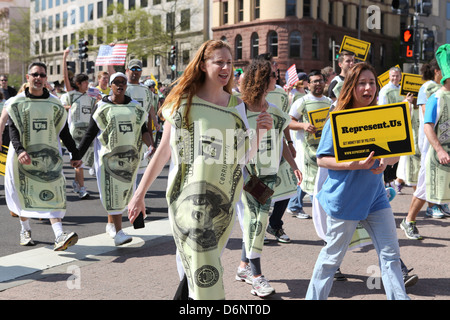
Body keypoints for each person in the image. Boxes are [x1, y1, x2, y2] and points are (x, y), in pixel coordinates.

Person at [127, 40, 273, 300]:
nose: (226, 67)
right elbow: (163, 152)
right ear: (204, 65)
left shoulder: (236, 106)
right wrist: (139, 194)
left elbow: (243, 158)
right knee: (205, 271)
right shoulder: (183, 102)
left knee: (196, 272)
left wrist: (260, 133)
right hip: (186, 201)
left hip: (222, 204)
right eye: (219, 62)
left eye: (229, 62)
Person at [305, 62, 409, 300]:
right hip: (345, 200)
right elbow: (322, 159)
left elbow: (395, 154)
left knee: (390, 255)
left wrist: (385, 162)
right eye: (362, 83)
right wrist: (352, 164)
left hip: (376, 197)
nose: (368, 88)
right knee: (332, 259)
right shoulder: (338, 117)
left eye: (372, 82)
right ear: (351, 87)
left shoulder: (382, 116)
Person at [235, 58, 302, 298]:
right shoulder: (238, 111)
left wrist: (293, 165)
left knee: (255, 223)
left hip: (270, 177)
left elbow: (281, 139)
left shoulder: (273, 110)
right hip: (247, 177)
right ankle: (257, 277)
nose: (277, 79)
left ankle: (243, 267)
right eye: (273, 75)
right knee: (257, 222)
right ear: (261, 80)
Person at [4, 62, 82, 250]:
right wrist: (21, 150)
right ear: (28, 77)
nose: (38, 78)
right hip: (21, 156)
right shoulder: (17, 103)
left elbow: (64, 131)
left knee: (55, 191)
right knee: (23, 194)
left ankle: (59, 235)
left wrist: (75, 153)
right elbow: (13, 129)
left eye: (42, 75)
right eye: (35, 74)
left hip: (49, 157)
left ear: (46, 79)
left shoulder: (55, 103)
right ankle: (25, 228)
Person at [76, 72, 152, 246]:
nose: (120, 85)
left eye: (123, 82)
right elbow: (90, 133)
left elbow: (144, 130)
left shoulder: (135, 107)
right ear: (110, 85)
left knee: (125, 193)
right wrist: (77, 155)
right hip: (108, 159)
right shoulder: (102, 106)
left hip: (130, 159)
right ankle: (118, 233)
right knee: (114, 194)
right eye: (116, 82)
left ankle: (111, 224)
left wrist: (152, 146)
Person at [401, 59, 445, 240]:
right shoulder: (429, 88)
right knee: (426, 186)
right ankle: (409, 221)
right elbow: (431, 118)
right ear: (437, 71)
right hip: (433, 145)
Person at [288, 70, 332, 219]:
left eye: (320, 81)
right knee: (313, 184)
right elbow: (289, 121)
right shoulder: (302, 101)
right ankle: (322, 219)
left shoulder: (329, 102)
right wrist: (303, 125)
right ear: (308, 84)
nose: (318, 84)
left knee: (315, 181)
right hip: (307, 150)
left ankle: (294, 204)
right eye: (314, 81)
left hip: (324, 149)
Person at [61, 51, 97, 199]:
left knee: (83, 162)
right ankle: (82, 188)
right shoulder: (72, 94)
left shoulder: (91, 96)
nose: (87, 84)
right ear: (78, 84)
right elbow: (65, 77)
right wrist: (64, 58)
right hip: (74, 134)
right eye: (85, 82)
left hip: (87, 134)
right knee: (79, 161)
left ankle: (77, 184)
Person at [423, 44, 450, 219]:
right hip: (438, 157)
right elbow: (427, 126)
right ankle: (409, 220)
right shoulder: (435, 98)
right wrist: (440, 150)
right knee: (423, 192)